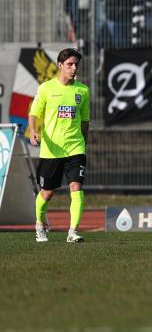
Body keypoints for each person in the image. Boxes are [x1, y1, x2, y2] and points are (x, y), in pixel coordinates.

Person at [27, 48, 90, 244]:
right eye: (70, 64)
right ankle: (39, 224)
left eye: (76, 65)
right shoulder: (46, 88)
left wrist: (83, 142)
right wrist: (33, 132)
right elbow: (34, 114)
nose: (73, 68)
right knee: (47, 192)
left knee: (76, 187)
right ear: (60, 65)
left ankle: (73, 232)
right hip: (51, 150)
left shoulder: (83, 90)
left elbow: (85, 120)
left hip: (75, 148)